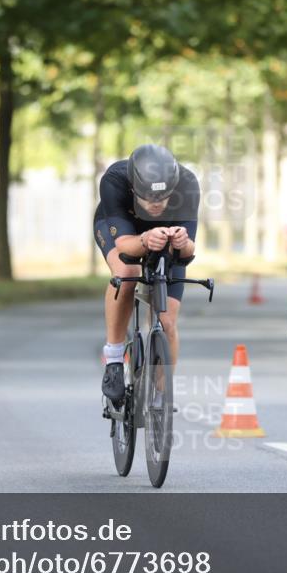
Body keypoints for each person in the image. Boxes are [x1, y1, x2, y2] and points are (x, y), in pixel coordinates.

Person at [94, 144, 200, 405]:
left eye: (163, 198)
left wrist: (182, 242)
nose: (156, 204)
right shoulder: (114, 181)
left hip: (165, 237)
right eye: (149, 198)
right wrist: (144, 239)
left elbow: (188, 252)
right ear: (134, 188)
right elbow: (125, 246)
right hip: (124, 230)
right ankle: (114, 357)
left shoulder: (187, 184)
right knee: (127, 272)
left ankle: (161, 398)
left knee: (168, 321)